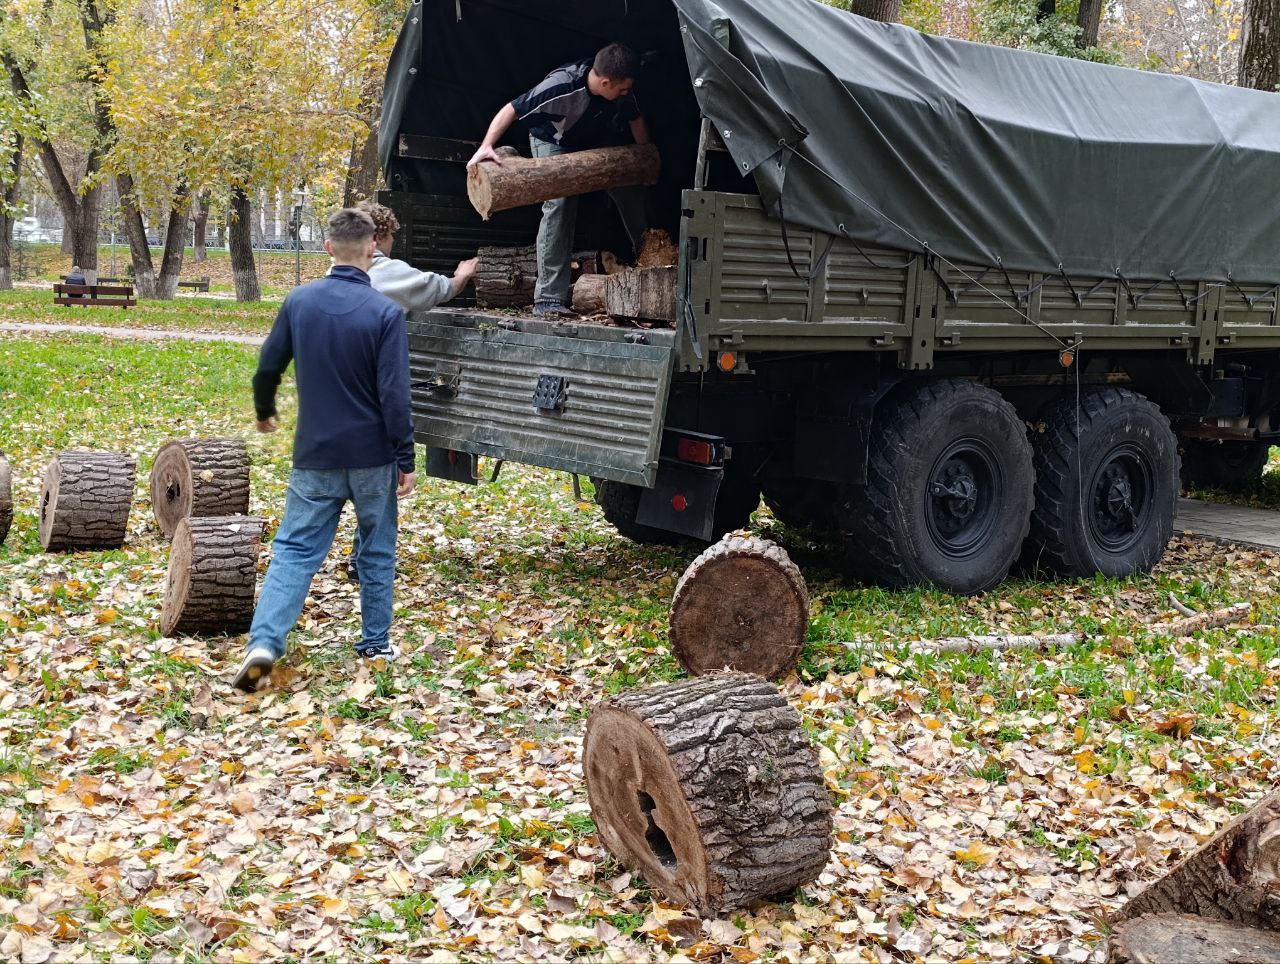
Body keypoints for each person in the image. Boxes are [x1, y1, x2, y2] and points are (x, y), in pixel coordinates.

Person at [233, 208, 416, 692]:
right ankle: (375, 643)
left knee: (294, 550)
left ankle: (265, 644)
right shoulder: (386, 313)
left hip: (314, 454)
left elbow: (267, 366)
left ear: (328, 248)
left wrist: (263, 410)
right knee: (377, 550)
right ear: (373, 249)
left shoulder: (299, 302)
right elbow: (395, 395)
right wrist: (406, 457)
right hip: (373, 456)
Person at [339, 200, 477, 582]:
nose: (395, 242)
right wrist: (462, 275)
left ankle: (352, 558)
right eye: (393, 235)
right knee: (380, 484)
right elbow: (435, 288)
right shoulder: (387, 273)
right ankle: (366, 564)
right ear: (380, 236)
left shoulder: (337, 272)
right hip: (371, 395)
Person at [467, 43, 650, 319]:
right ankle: (548, 298)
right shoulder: (561, 86)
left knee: (628, 190)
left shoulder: (620, 88)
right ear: (605, 82)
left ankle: (650, 264)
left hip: (592, 140)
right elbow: (511, 109)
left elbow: (636, 118)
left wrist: (643, 159)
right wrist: (486, 146)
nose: (626, 94)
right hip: (552, 140)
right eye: (622, 89)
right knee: (560, 204)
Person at [355, 199, 477, 311]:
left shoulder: (344, 270)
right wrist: (461, 276)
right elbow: (438, 289)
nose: (392, 240)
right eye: (390, 234)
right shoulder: (386, 271)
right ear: (378, 238)